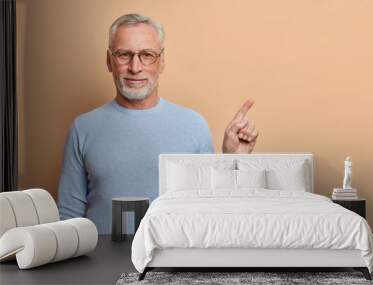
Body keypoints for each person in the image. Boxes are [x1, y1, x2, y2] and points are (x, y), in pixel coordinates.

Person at [57, 14, 259, 234]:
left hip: (173, 262)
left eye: (147, 55)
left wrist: (234, 159)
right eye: (124, 55)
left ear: (162, 62)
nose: (135, 67)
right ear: (109, 60)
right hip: (99, 262)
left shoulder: (193, 126)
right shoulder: (83, 128)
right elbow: (69, 218)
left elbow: (210, 212)